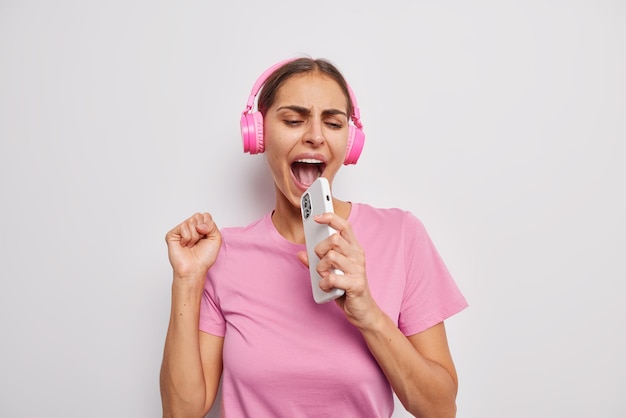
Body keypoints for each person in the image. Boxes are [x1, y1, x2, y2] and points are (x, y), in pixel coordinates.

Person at [160, 56, 468, 418]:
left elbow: (440, 408)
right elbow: (182, 413)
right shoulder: (221, 254)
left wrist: (368, 312)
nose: (316, 136)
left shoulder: (401, 235)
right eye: (293, 120)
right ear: (258, 134)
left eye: (333, 123)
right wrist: (187, 279)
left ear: (349, 142)